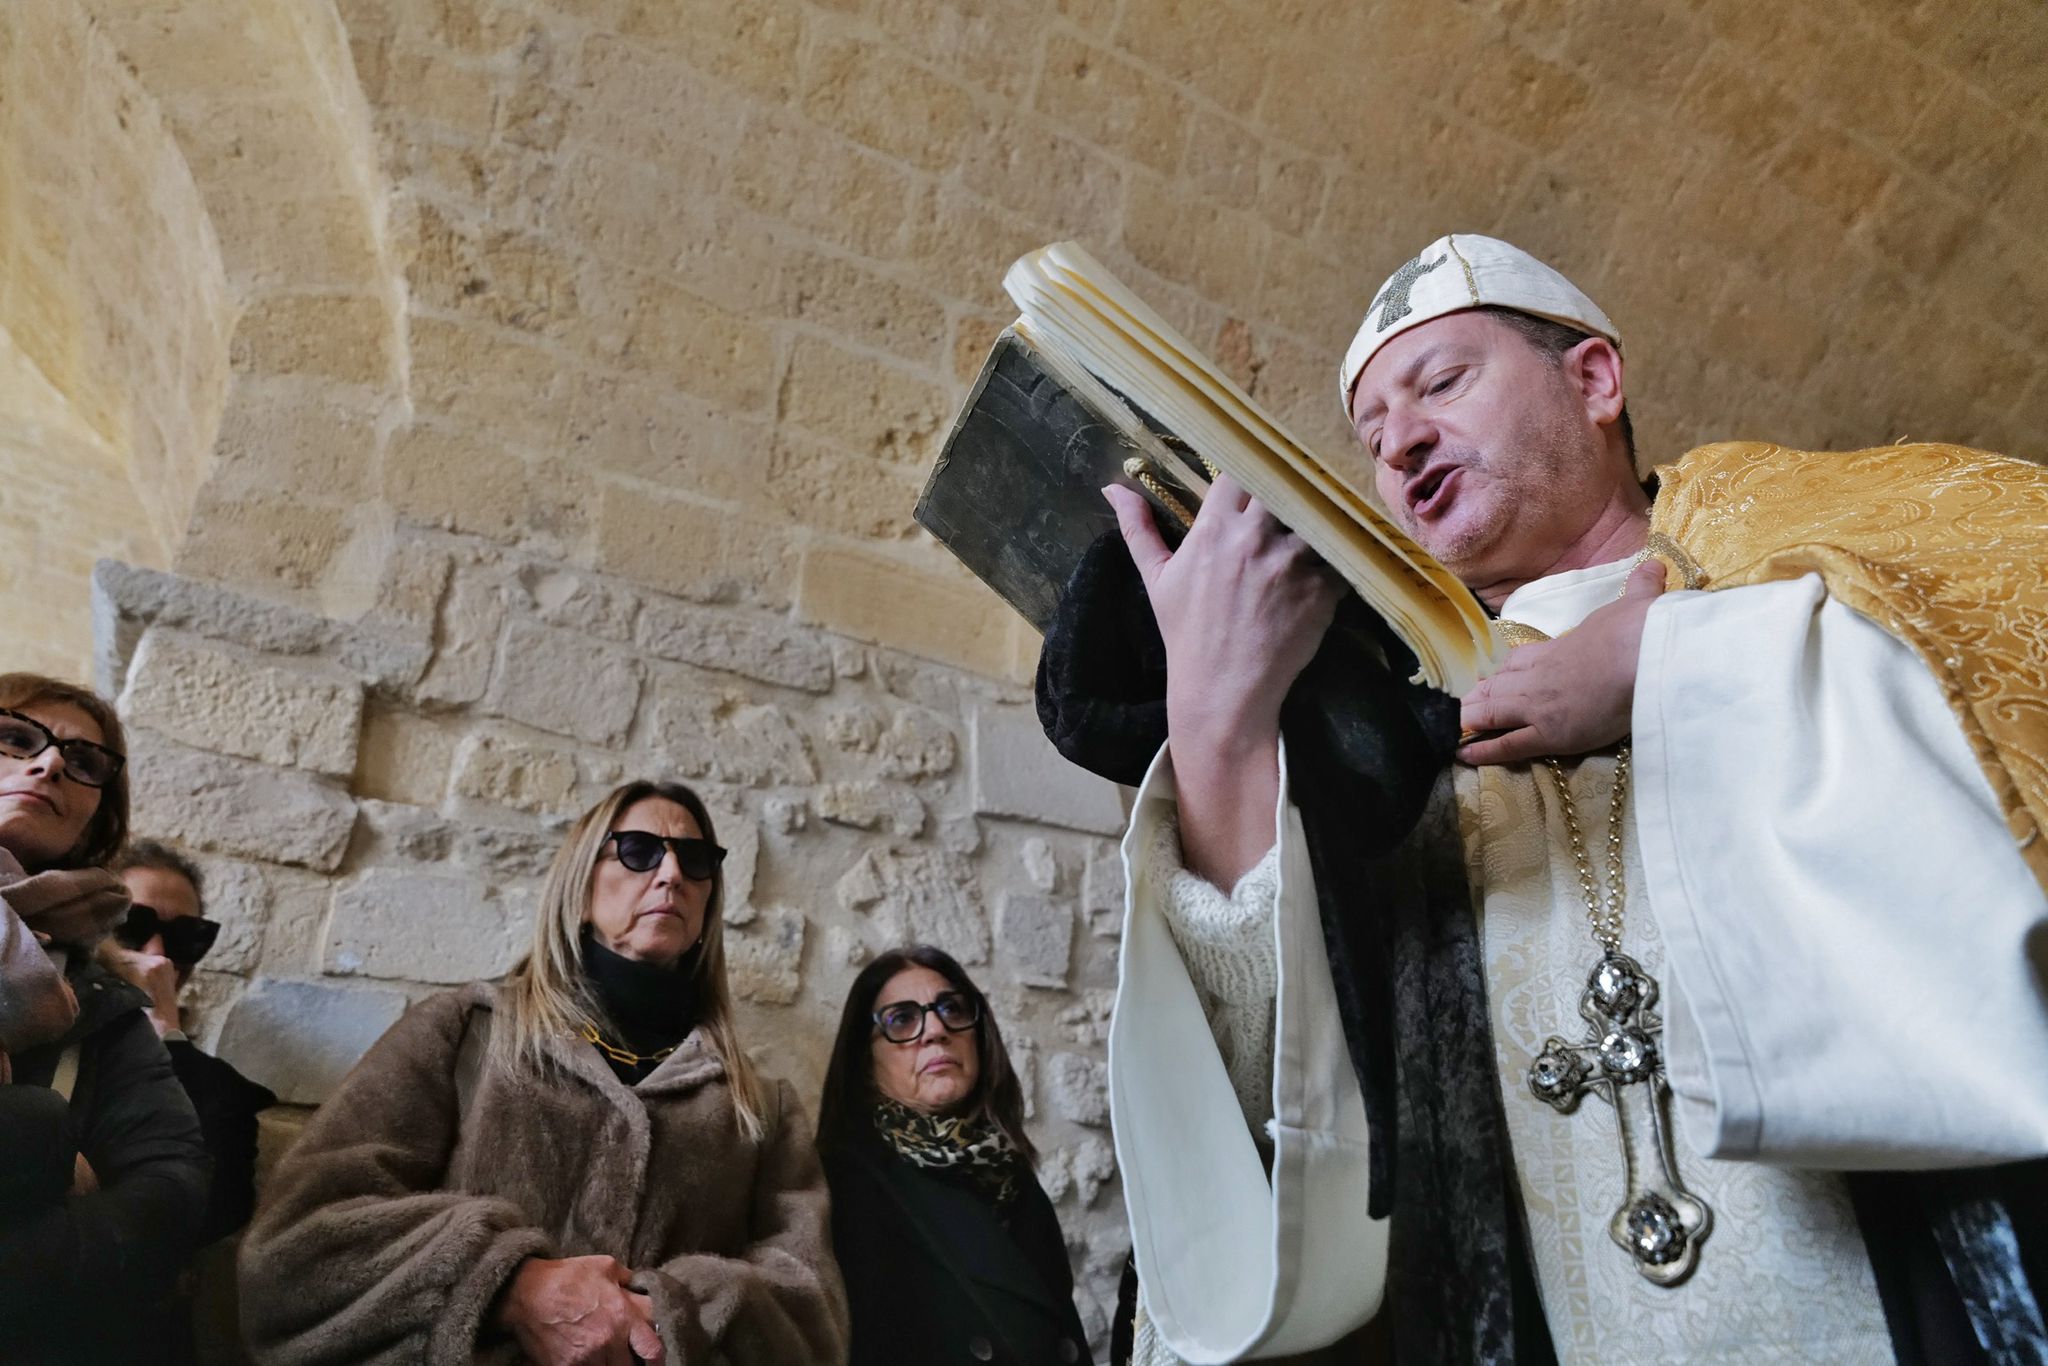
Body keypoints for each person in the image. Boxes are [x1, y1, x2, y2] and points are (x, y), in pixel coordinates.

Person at [1096, 235, 2048, 1364]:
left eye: (1441, 382)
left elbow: (2004, 698)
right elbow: (1284, 1102)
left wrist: (1670, 656)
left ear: (1593, 379)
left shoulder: (1817, 537)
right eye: (1372, 433)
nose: (1399, 441)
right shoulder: (1385, 715)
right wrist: (1219, 724)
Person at [239, 778, 848, 1365]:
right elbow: (296, 1245)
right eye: (638, 851)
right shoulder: (468, 1033)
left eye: (695, 860)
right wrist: (508, 1284)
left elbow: (813, 1315)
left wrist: (665, 1315)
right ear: (581, 886)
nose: (671, 875)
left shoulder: (759, 1104)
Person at [0, 671, 212, 1362]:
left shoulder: (105, 1006)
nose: (49, 763)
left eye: (84, 762)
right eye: (14, 738)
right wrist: (62, 1161)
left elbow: (172, 1189)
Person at [817, 945, 1093, 1366]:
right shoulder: (845, 1187)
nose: (935, 1030)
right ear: (864, 1059)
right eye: (901, 1019)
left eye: (952, 1009)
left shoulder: (1008, 1171)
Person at [103, 840, 276, 1245]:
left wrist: (166, 1036)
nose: (160, 956)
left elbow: (215, 1212)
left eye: (185, 937)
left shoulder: (223, 1093)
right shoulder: (35, 1037)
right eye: (132, 926)